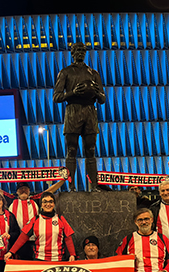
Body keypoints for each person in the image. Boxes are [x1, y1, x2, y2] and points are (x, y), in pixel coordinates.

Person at [53, 42, 106, 192]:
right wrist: (73, 93)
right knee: (71, 150)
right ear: (72, 53)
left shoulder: (93, 73)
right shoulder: (65, 72)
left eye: (83, 50)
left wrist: (97, 93)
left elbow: (102, 99)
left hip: (90, 112)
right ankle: (71, 186)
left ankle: (94, 186)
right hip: (72, 111)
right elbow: (56, 97)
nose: (81, 52)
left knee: (90, 150)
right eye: (77, 50)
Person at [0, 179, 66, 259]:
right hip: (16, 241)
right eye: (21, 189)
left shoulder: (35, 200)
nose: (23, 190)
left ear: (29, 190)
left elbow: (49, 191)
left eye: (25, 189)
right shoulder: (11, 200)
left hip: (34, 241)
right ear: (17, 191)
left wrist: (63, 180)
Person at [4, 192, 76, 262]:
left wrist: (72, 254)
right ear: (41, 204)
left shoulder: (60, 219)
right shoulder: (35, 220)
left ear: (54, 204)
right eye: (45, 202)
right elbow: (22, 237)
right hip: (39, 260)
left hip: (58, 260)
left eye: (51, 202)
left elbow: (68, 238)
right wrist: (11, 252)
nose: (48, 204)